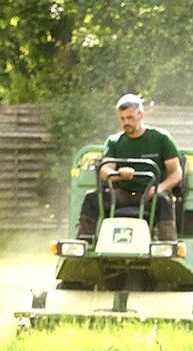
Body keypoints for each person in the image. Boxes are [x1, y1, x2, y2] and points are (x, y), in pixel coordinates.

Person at [76, 93, 184, 241]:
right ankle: (84, 242)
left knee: (163, 201)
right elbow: (104, 169)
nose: (126, 122)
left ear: (141, 115)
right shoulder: (114, 142)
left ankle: (168, 246)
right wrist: (118, 174)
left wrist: (159, 188)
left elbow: (176, 173)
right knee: (92, 198)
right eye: (122, 119)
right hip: (122, 194)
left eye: (130, 118)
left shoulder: (161, 138)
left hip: (150, 195)